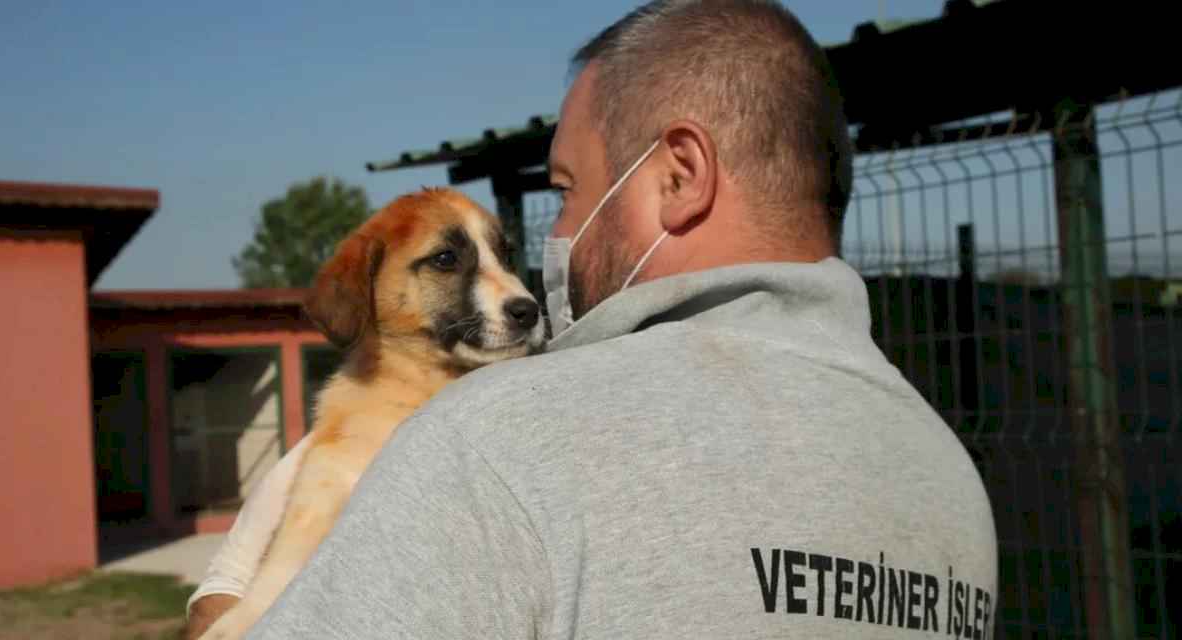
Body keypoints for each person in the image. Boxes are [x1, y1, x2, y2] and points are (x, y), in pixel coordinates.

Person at [187, 0, 1000, 637]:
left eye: (569, 188)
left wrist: (230, 594)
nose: (561, 236)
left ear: (681, 175)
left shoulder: (498, 439)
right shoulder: (949, 476)